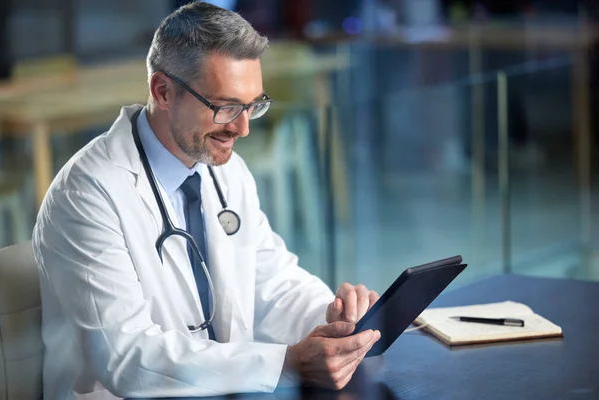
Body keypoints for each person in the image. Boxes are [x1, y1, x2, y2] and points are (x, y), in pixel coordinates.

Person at [32, 2, 381, 399]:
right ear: (163, 92)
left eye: (252, 106)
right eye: (226, 107)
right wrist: (285, 364)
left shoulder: (225, 170)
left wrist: (333, 320)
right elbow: (125, 357)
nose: (243, 128)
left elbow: (273, 282)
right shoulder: (87, 194)